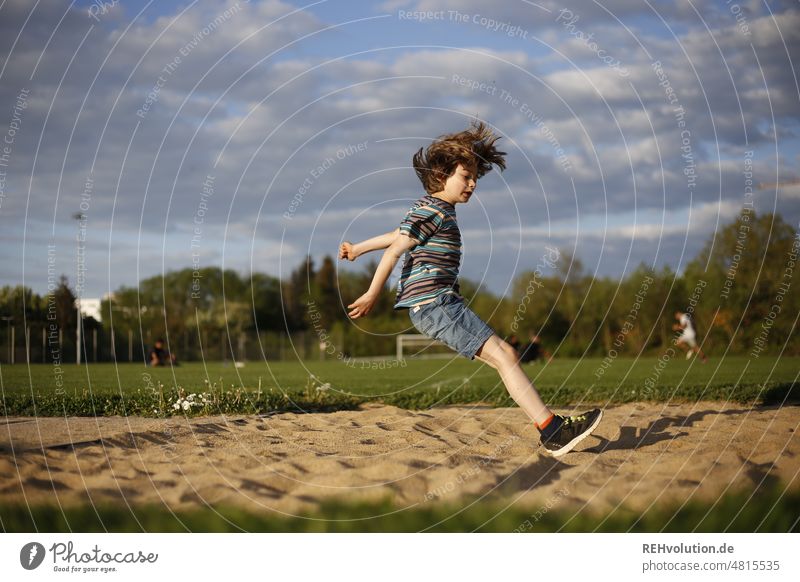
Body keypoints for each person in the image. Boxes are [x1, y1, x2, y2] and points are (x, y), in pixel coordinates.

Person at [339, 120, 602, 457]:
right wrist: (373, 292)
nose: (473, 183)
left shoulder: (432, 211)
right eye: (466, 176)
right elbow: (395, 250)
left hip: (439, 305)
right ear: (441, 174)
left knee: (503, 358)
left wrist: (358, 248)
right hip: (435, 305)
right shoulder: (432, 209)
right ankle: (552, 430)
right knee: (506, 355)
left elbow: (397, 235)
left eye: (475, 176)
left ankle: (551, 427)